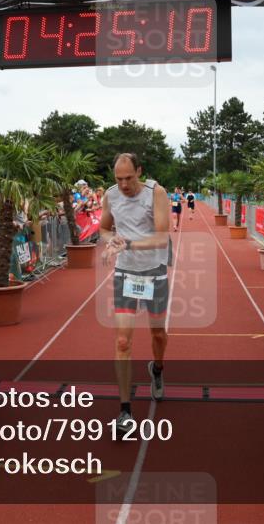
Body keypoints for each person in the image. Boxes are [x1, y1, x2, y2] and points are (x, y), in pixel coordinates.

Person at [100, 153, 171, 435]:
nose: (124, 184)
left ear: (139, 171)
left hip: (154, 272)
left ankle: (157, 368)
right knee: (122, 341)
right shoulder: (110, 195)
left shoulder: (157, 193)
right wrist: (111, 241)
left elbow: (162, 236)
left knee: (157, 335)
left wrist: (127, 243)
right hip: (125, 274)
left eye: (129, 178)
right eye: (119, 179)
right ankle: (125, 411)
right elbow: (104, 229)